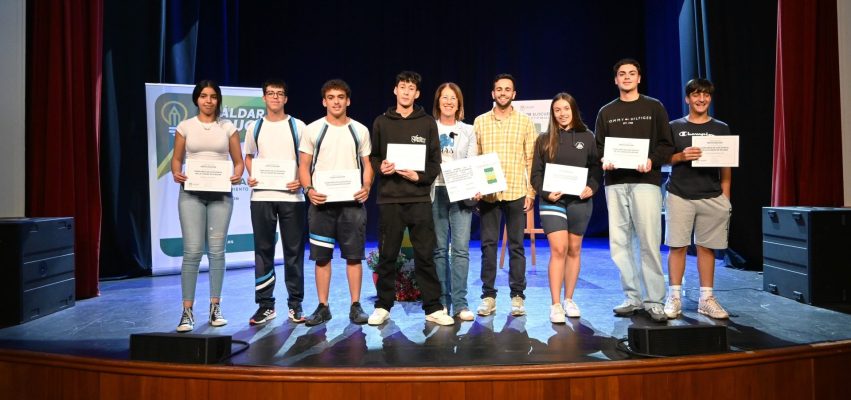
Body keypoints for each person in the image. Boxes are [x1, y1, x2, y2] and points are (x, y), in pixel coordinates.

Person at [368, 71, 454, 326]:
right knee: (388, 256)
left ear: (417, 94)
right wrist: (379, 166)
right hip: (390, 200)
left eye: (411, 88)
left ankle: (433, 307)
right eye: (402, 87)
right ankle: (383, 305)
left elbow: (435, 162)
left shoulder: (427, 122)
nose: (406, 92)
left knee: (425, 254)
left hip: (418, 199)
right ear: (395, 90)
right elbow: (373, 156)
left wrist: (420, 177)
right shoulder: (382, 122)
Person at [595, 58, 674, 322]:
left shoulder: (654, 107)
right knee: (620, 243)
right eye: (621, 74)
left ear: (639, 78)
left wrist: (652, 159)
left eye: (631, 73)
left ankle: (654, 300)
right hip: (615, 183)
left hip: (646, 182)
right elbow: (598, 148)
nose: (627, 77)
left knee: (649, 241)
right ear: (615, 80)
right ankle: (632, 296)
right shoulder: (606, 112)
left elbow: (666, 145)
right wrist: (604, 159)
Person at [170, 80, 244, 332]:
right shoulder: (185, 127)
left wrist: (237, 174)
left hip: (220, 195)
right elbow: (177, 159)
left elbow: (238, 162)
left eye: (213, 96)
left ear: (218, 100)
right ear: (196, 99)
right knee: (191, 251)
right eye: (204, 96)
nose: (208, 101)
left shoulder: (228, 127)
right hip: (191, 194)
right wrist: (176, 173)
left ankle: (215, 307)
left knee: (216, 251)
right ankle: (187, 311)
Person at [298, 79, 373, 326]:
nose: (336, 101)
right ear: (324, 101)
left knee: (354, 256)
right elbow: (304, 165)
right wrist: (308, 189)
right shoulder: (312, 129)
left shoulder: (359, 130)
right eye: (331, 97)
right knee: (321, 257)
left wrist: (366, 187)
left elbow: (367, 165)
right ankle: (323, 306)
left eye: (341, 97)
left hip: (351, 203)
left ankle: (355, 306)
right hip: (321, 204)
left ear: (348, 100)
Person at [663, 78, 732, 320]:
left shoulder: (721, 128)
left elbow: (726, 167)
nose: (701, 99)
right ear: (687, 98)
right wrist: (681, 156)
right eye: (696, 95)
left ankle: (706, 298)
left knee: (706, 247)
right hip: (679, 194)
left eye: (705, 95)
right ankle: (674, 296)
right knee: (677, 246)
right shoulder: (674, 127)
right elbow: (663, 159)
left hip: (712, 196)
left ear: (710, 98)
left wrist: (725, 198)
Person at [530, 93, 601, 323]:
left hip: (579, 201)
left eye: (566, 109)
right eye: (557, 110)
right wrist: (545, 192)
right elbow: (536, 175)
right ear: (552, 113)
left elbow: (595, 169)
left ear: (573, 110)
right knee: (558, 249)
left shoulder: (587, 136)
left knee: (574, 249)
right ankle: (556, 304)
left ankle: (569, 299)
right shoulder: (544, 139)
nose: (562, 113)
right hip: (552, 201)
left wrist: (592, 186)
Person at [243, 79, 307, 325]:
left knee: (293, 252)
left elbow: (306, 159)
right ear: (264, 98)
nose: (276, 98)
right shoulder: (254, 127)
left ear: (286, 98)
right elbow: (248, 156)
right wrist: (253, 174)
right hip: (262, 197)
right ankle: (266, 305)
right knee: (263, 251)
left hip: (292, 197)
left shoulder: (297, 126)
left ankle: (295, 304)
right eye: (271, 93)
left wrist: (300, 181)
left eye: (280, 94)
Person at [473, 73, 538, 317]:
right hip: (489, 195)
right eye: (498, 89)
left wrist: (531, 191)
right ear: (493, 93)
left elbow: (531, 158)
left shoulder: (524, 122)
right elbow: (475, 158)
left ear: (514, 94)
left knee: (516, 246)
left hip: (515, 191)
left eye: (507, 89)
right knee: (488, 246)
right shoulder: (480, 122)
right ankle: (488, 296)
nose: (503, 93)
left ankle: (518, 296)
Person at [431, 82, 478, 321]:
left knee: (460, 250)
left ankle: (460, 304)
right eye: (444, 98)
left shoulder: (468, 130)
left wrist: (475, 186)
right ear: (438, 102)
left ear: (459, 103)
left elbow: (472, 161)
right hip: (436, 191)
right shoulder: (429, 127)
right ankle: (441, 304)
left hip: (460, 192)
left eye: (453, 98)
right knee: (439, 250)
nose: (448, 102)